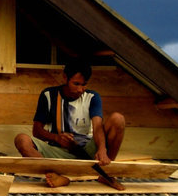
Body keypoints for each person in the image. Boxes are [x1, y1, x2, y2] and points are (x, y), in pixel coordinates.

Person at [14, 58, 125, 187]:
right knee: (21, 139)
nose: (80, 89)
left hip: (86, 151)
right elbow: (37, 131)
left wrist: (102, 149)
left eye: (84, 85)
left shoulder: (92, 97)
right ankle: (56, 176)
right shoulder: (49, 95)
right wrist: (56, 138)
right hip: (56, 153)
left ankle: (106, 174)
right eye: (76, 84)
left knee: (118, 119)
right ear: (65, 77)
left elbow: (98, 127)